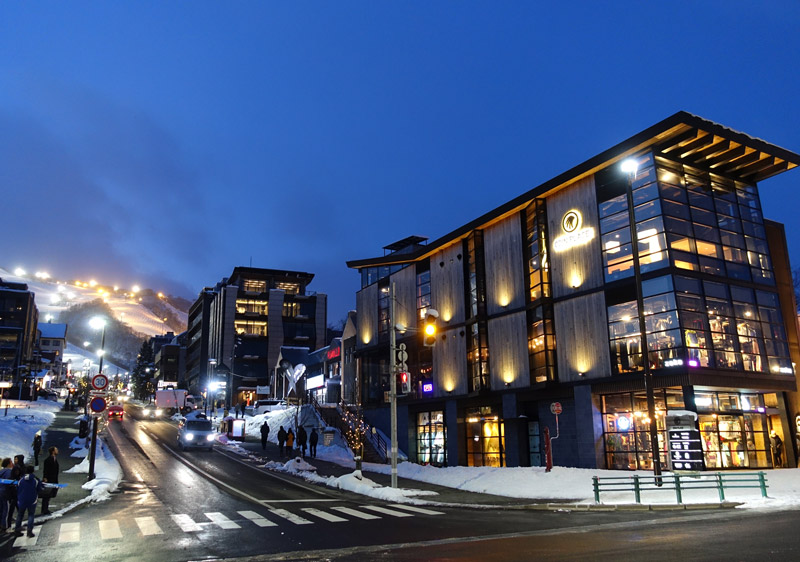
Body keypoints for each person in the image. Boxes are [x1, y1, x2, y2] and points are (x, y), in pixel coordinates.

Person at [14, 465, 42, 537]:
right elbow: (39, 489)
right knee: (31, 515)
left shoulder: (21, 480)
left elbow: (17, 488)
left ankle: (17, 530)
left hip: (22, 500)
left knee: (20, 515)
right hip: (32, 500)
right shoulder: (36, 480)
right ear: (33, 471)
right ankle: (29, 531)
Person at [6, 455, 24, 527]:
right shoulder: (15, 470)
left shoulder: (18, 468)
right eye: (14, 459)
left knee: (18, 510)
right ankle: (11, 526)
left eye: (16, 459)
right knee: (11, 511)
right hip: (14, 495)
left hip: (16, 494)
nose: (15, 460)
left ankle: (17, 525)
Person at [41, 447, 59, 515]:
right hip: (49, 479)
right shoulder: (48, 460)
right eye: (56, 450)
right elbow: (46, 470)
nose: (57, 451)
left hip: (54, 479)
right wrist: (45, 477)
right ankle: (44, 509)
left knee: (49, 495)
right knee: (46, 495)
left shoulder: (54, 459)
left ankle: (45, 508)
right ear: (53, 451)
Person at [0, 458, 12, 532]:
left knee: (0, 508)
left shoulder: (1, 471)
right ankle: (4, 525)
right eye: (11, 462)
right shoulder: (8, 471)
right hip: (5, 492)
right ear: (8, 464)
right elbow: (9, 481)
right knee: (6, 508)